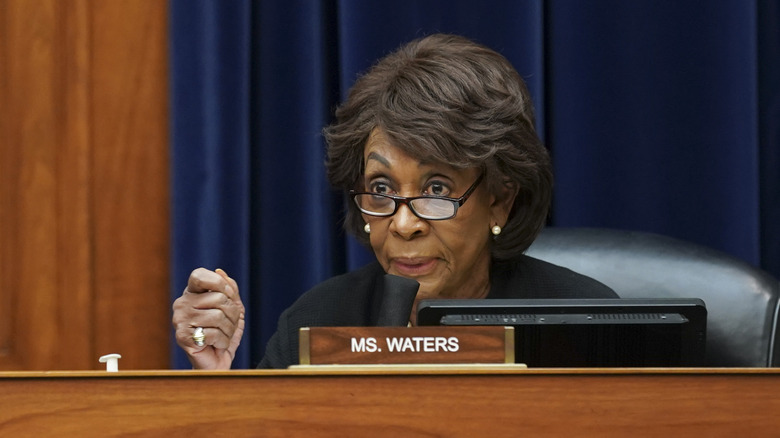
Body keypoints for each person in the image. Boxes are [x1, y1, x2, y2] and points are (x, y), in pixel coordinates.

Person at [172, 33, 617, 370]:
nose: (404, 224)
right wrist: (219, 383)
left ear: (499, 199)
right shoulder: (318, 321)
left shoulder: (586, 323)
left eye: (437, 189)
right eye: (382, 189)